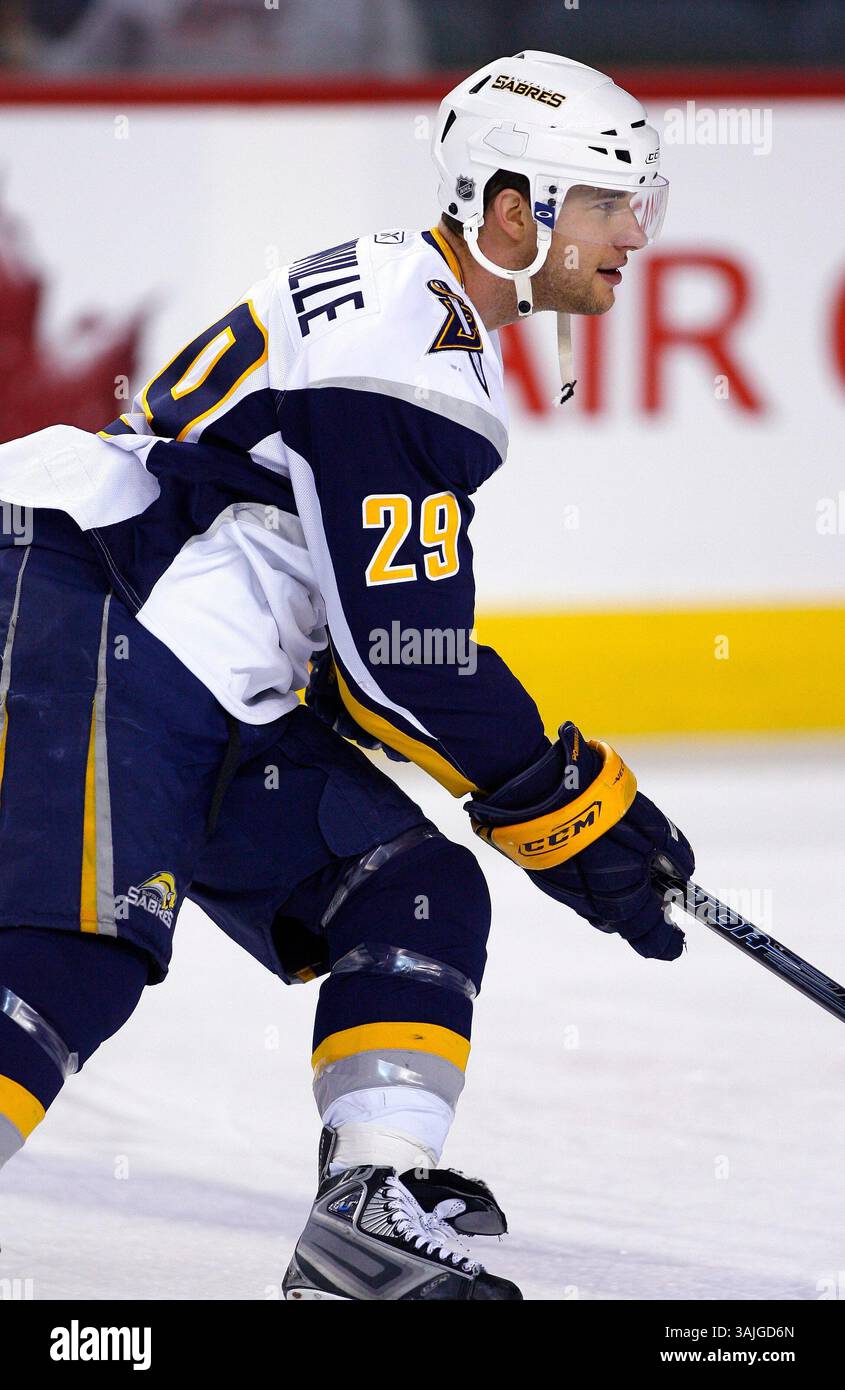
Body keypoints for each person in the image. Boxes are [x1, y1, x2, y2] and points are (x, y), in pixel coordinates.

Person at [0, 50, 692, 1301]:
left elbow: (354, 635)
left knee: (409, 888)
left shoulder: (409, 300)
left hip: (187, 653)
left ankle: (364, 1212)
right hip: (92, 607)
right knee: (70, 956)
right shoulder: (408, 345)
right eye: (602, 202)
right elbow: (403, 663)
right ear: (508, 212)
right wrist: (570, 801)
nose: (632, 235)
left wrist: (548, 801)